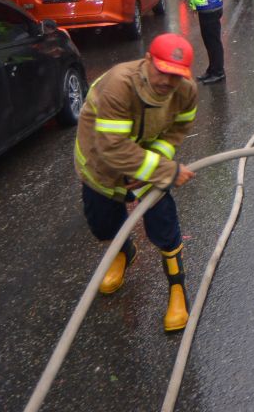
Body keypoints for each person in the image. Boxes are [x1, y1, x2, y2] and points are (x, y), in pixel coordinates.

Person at [74, 33, 199, 333]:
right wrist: (164, 169)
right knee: (103, 225)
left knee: (164, 223)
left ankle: (178, 289)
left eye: (176, 76)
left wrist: (156, 161)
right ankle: (123, 252)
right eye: (163, 72)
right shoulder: (118, 85)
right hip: (101, 164)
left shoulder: (186, 91)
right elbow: (113, 147)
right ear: (147, 61)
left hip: (146, 162)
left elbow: (179, 128)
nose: (168, 82)